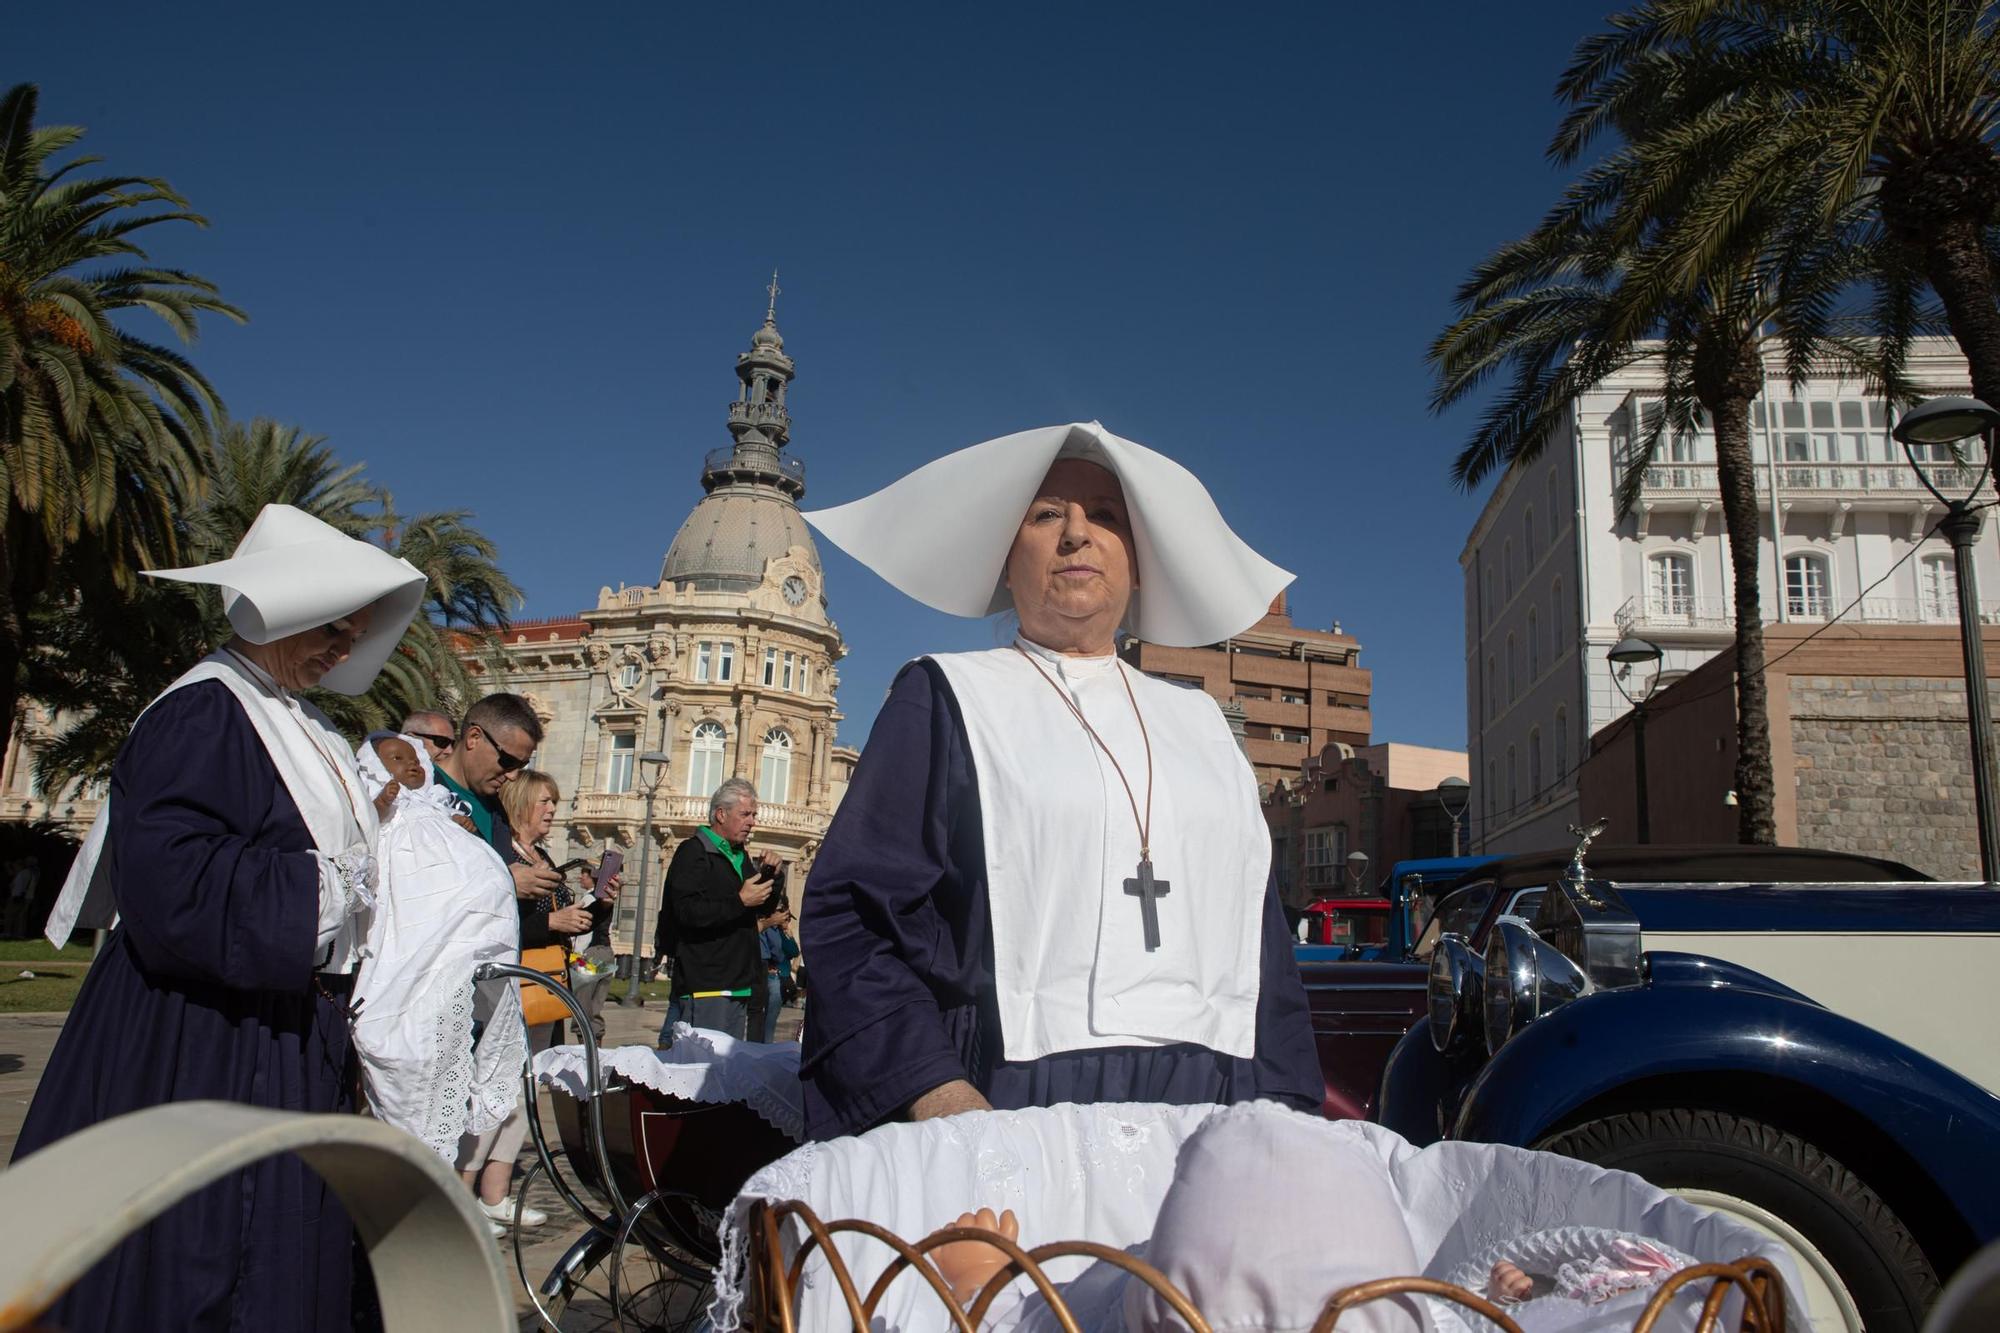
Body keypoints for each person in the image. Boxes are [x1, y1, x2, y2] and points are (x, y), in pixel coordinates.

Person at [795, 422, 1321, 1138]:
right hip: (1013, 1100)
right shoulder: (946, 697)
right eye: (1047, 515)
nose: (1078, 533)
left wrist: (1288, 1117)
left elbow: (1265, 952)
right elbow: (854, 917)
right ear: (1005, 561)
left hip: (1214, 1107)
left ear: (1137, 563)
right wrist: (936, 1093)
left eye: (1105, 516)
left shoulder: (1205, 726)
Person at [19, 504, 426, 1333]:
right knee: (198, 1254)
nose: (344, 651)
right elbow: (173, 880)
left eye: (353, 636)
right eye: (333, 630)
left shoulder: (294, 717)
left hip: (273, 1021)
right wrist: (330, 885)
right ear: (282, 610)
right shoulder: (204, 710)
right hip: (198, 1031)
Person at [349, 733, 522, 1184]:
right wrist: (378, 807)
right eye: (395, 760)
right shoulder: (385, 814)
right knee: (410, 1037)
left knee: (451, 1040)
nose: (410, 767)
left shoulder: (440, 808)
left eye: (415, 759)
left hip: (472, 946)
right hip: (419, 937)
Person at [658, 778, 777, 1042]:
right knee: (703, 1071)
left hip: (741, 982)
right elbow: (686, 912)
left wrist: (773, 877)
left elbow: (761, 907)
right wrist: (739, 901)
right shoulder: (693, 852)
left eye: (754, 815)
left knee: (728, 1071)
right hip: (707, 984)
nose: (752, 821)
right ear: (721, 814)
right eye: (745, 814)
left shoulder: (740, 855)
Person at [753, 907, 800, 1043]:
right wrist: (788, 938)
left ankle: (763, 1045)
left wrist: (789, 936)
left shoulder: (781, 933)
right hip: (774, 976)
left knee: (768, 1017)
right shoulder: (774, 932)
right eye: (786, 919)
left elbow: (795, 951)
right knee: (767, 1019)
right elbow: (785, 951)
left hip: (781, 977)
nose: (788, 922)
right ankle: (764, 1046)